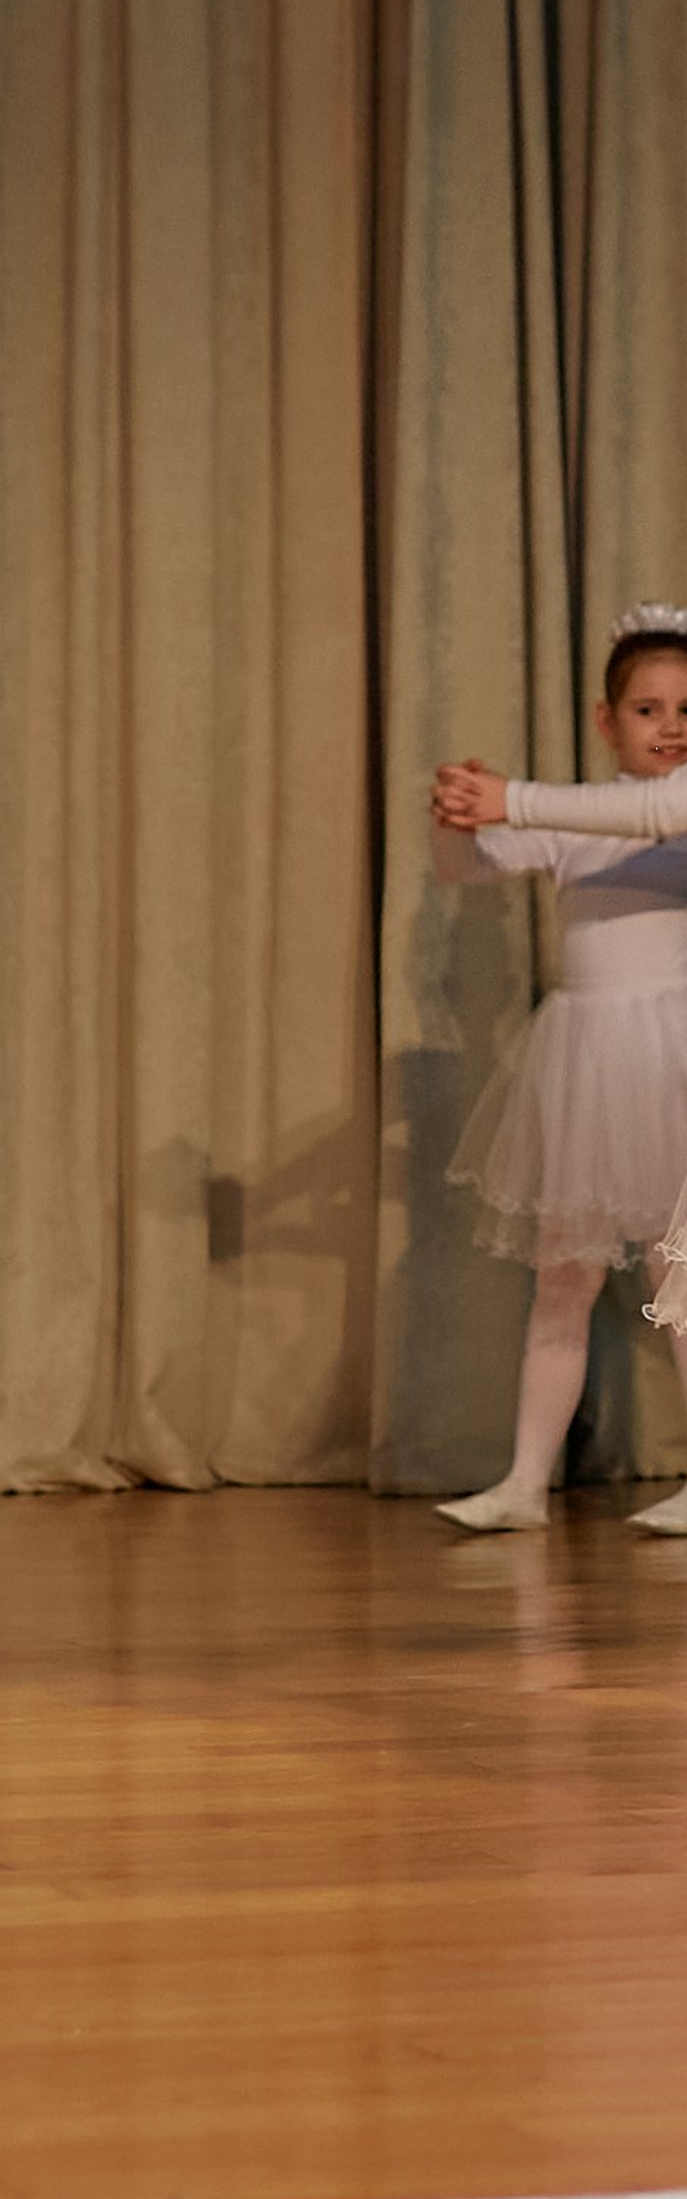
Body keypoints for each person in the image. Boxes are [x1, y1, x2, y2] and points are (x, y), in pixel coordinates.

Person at [430, 608, 687, 1531]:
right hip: (585, 1064)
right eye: (649, 708)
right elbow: (466, 870)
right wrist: (457, 816)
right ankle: (523, 1485)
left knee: (679, 1274)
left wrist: (511, 795)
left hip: (671, 1064)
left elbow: (655, 812)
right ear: (605, 718)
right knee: (563, 1277)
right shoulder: (580, 820)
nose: (672, 725)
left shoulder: (677, 809)